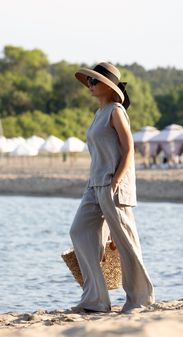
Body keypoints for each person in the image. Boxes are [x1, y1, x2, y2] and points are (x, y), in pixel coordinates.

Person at [69, 62, 155, 313]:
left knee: (126, 241)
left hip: (113, 184)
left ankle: (140, 299)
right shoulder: (99, 113)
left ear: (108, 86)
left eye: (94, 81)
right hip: (94, 185)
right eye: (89, 81)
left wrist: (116, 181)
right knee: (80, 232)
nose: (90, 85)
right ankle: (96, 299)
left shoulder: (116, 111)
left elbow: (129, 150)